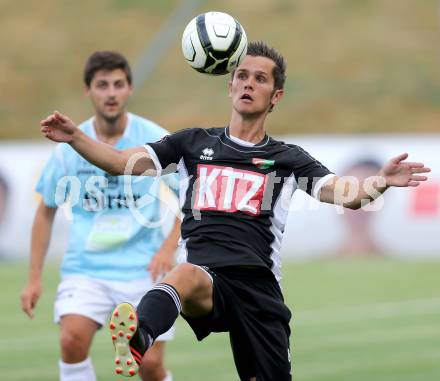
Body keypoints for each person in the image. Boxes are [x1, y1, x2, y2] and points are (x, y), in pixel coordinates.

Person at [38, 42, 430, 381]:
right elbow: (121, 161)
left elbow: (344, 193)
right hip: (206, 278)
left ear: (275, 96)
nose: (248, 83)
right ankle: (139, 334)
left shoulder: (286, 158)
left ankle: (146, 329)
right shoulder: (191, 144)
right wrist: (75, 137)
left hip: (257, 291)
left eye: (260, 79)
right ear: (229, 87)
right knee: (185, 274)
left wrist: (378, 181)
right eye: (242, 76)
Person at [21, 51, 180, 381]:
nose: (111, 93)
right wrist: (34, 277)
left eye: (118, 84)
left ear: (130, 89)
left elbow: (190, 198)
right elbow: (45, 209)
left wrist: (168, 249)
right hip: (87, 268)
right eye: (102, 85)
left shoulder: (154, 140)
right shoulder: (69, 144)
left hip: (144, 268)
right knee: (71, 341)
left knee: (148, 365)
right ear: (88, 90)